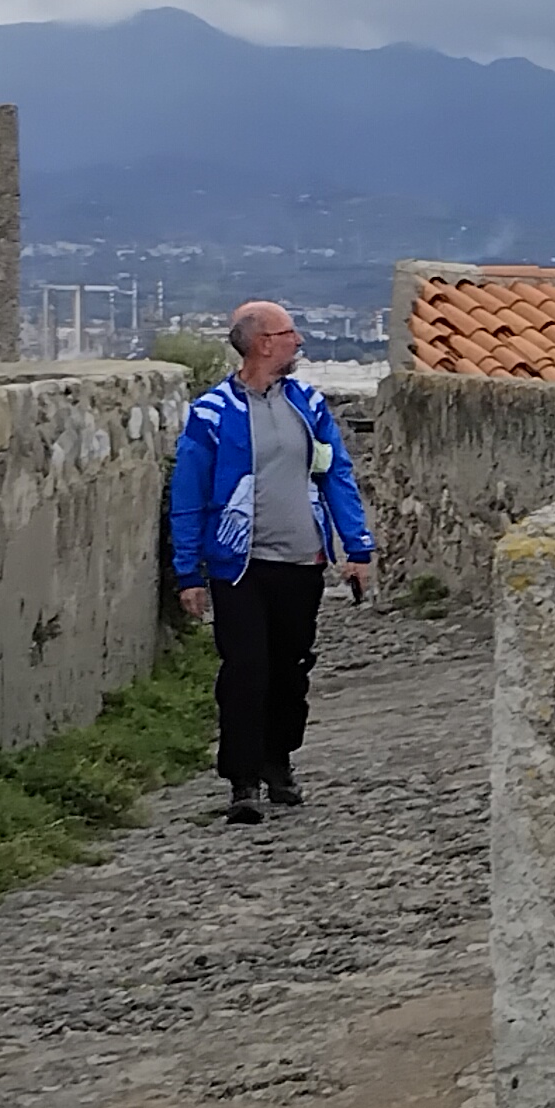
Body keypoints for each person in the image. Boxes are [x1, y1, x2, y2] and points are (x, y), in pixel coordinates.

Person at [166, 300, 375, 824]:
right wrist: (188, 572)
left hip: (301, 560)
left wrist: (357, 547)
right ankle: (242, 779)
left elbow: (335, 473)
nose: (297, 341)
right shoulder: (212, 413)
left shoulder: (309, 404)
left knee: (290, 668)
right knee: (246, 669)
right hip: (239, 564)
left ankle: (278, 761)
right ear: (262, 343)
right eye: (288, 333)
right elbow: (188, 494)